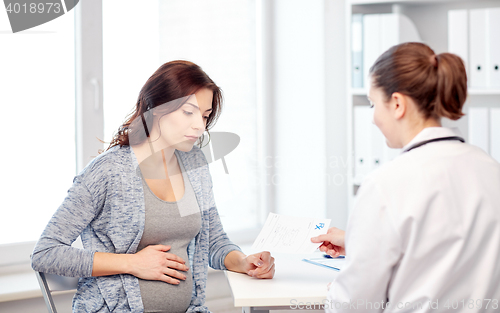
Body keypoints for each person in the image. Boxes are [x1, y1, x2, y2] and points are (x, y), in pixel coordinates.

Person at [31, 60, 275, 313]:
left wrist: (244, 262)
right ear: (156, 108)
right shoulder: (108, 172)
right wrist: (132, 263)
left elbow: (213, 240)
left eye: (205, 116)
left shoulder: (193, 162)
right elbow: (46, 253)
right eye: (188, 113)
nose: (200, 127)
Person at [312, 42, 500, 312]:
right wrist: (357, 243)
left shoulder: (386, 184)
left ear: (397, 104)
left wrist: (336, 293)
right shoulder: (491, 168)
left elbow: (352, 306)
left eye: (373, 104)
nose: (373, 118)